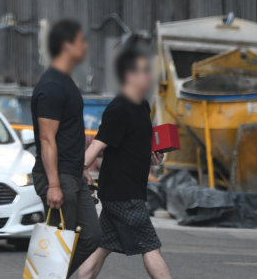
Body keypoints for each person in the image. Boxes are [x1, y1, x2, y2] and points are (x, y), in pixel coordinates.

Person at [78, 48, 171, 279]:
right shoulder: (118, 108)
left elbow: (133, 145)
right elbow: (97, 146)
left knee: (101, 249)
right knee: (151, 247)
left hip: (126, 193)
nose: (148, 76)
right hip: (123, 196)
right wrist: (80, 172)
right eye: (142, 71)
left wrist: (152, 157)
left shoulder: (142, 106)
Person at [31, 19, 101, 278]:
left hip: (73, 174)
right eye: (81, 41)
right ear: (66, 45)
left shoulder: (65, 82)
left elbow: (69, 135)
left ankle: (48, 275)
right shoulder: (51, 87)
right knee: (60, 242)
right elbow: (47, 139)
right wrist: (53, 185)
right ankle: (47, 275)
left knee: (93, 235)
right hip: (57, 177)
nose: (85, 46)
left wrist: (81, 168)